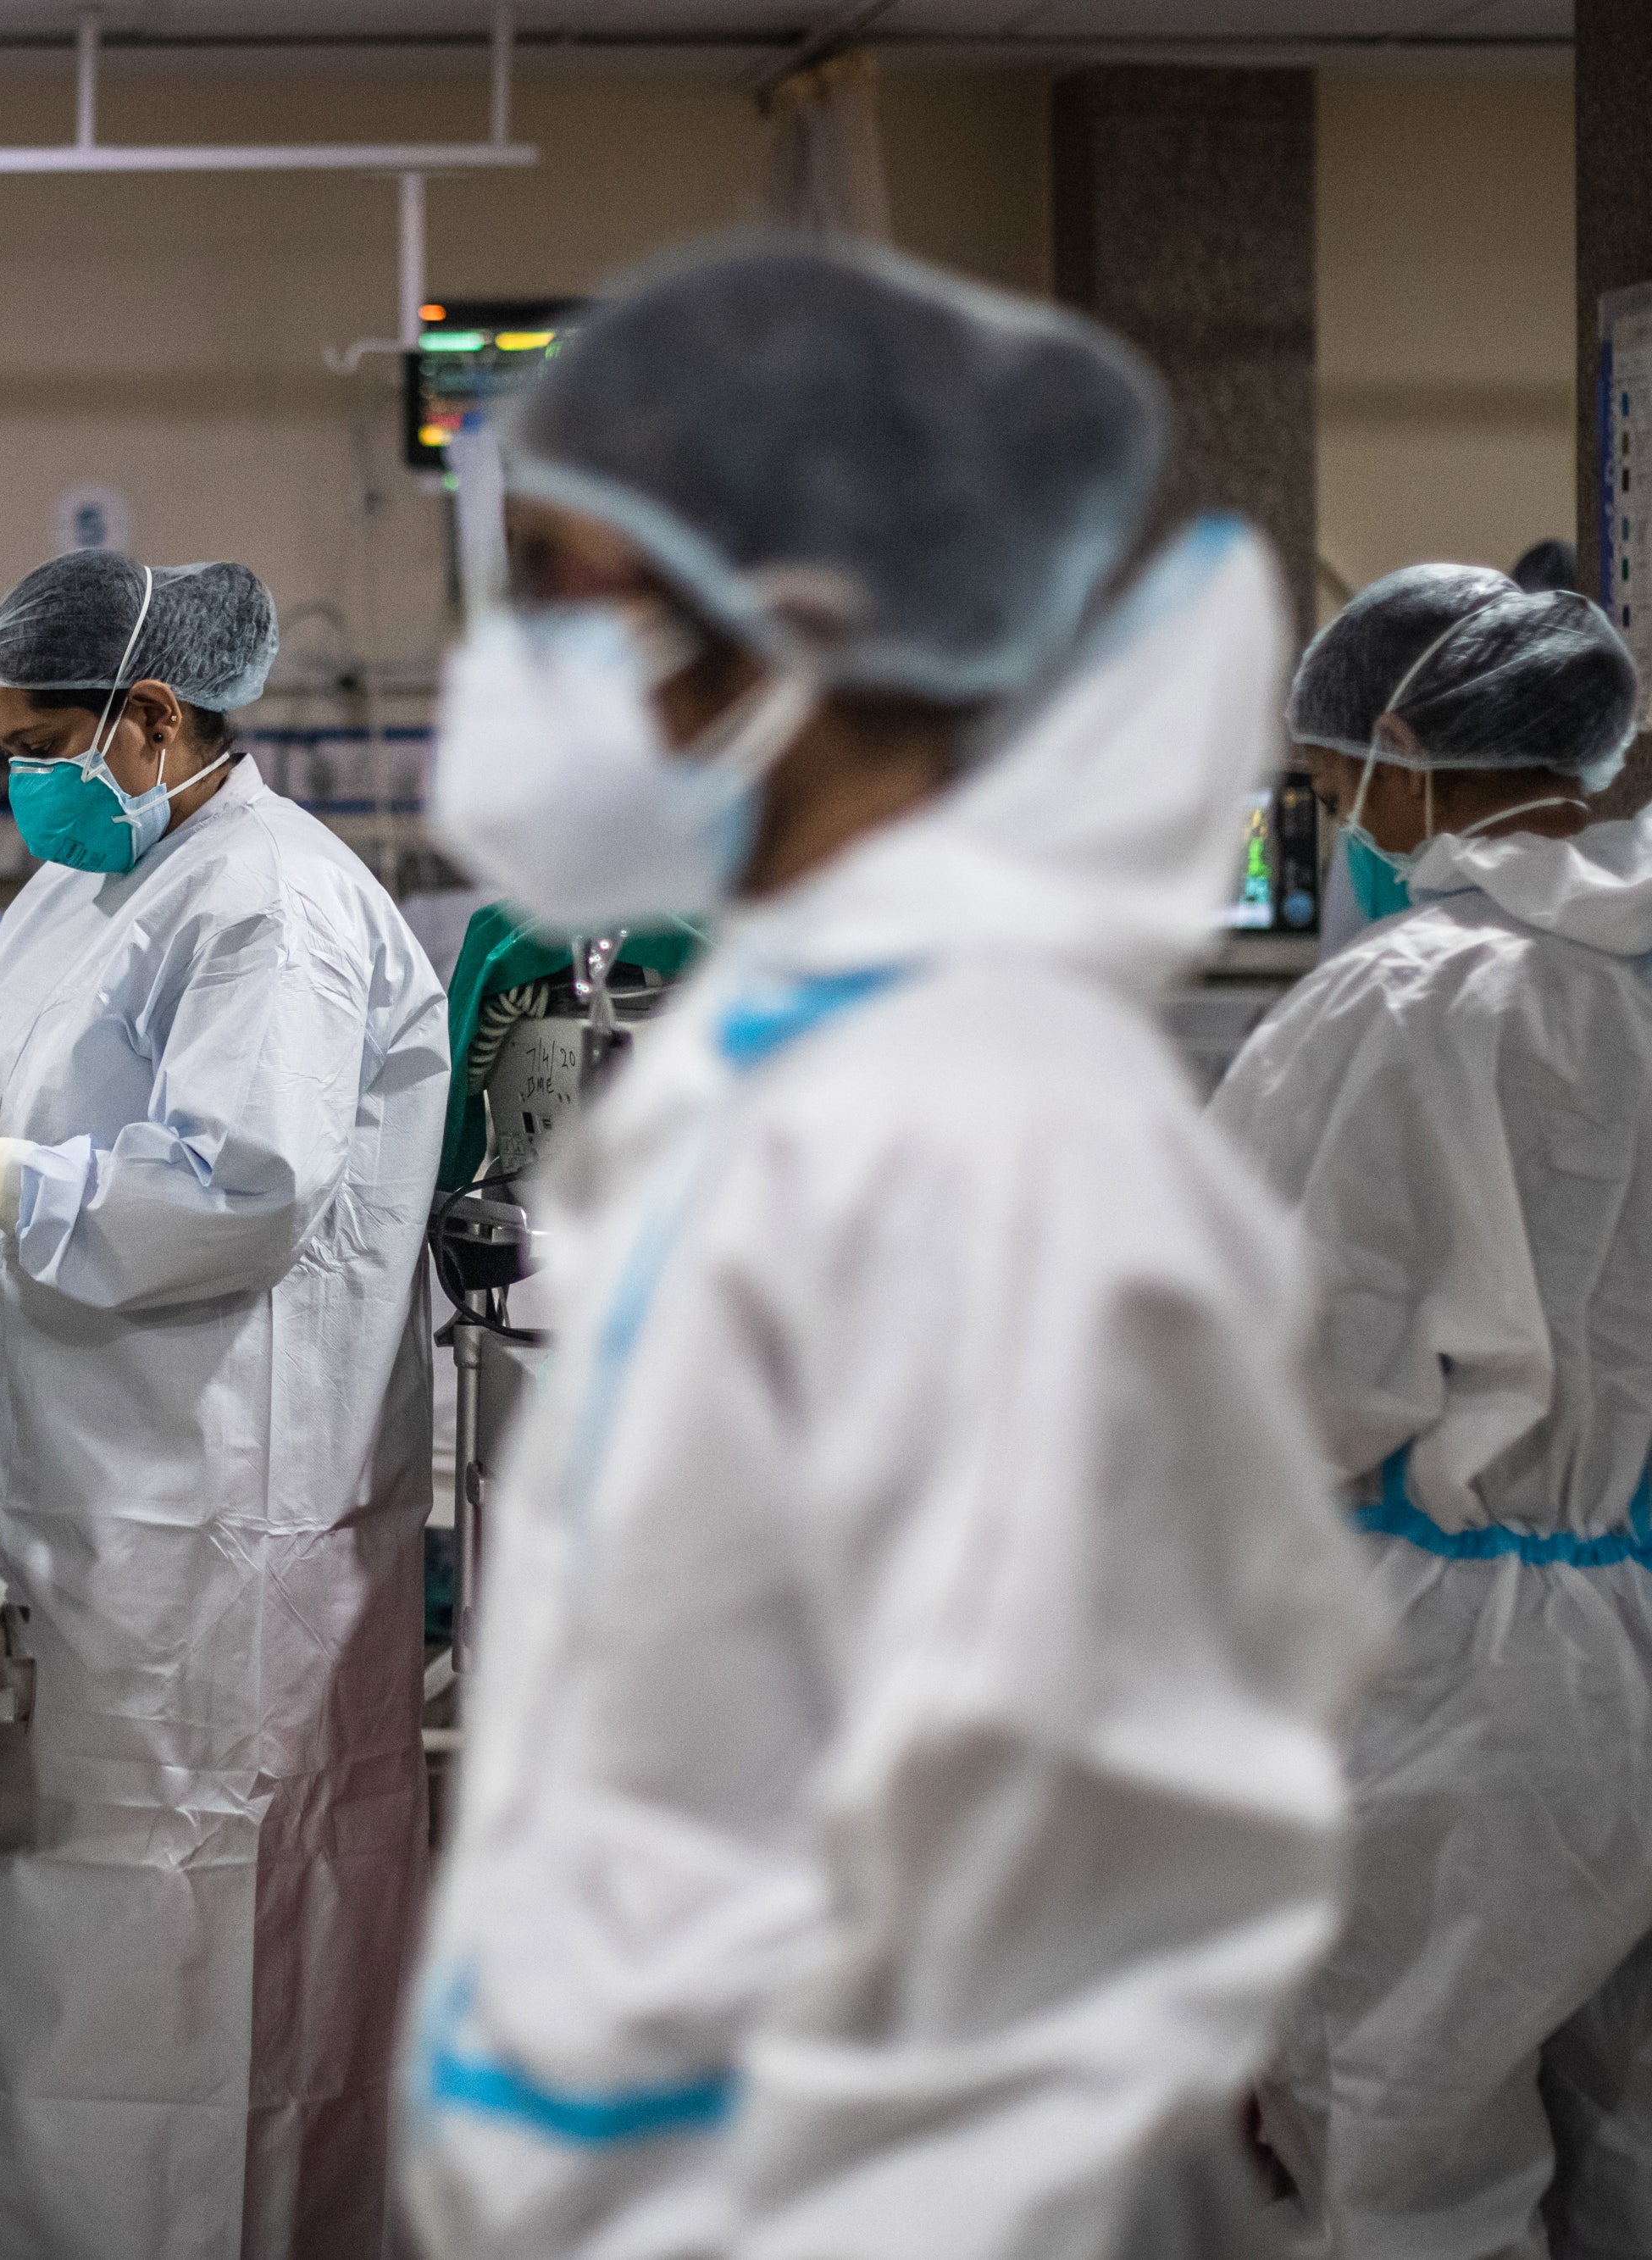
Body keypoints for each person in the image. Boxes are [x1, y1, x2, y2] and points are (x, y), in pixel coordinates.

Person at [397, 234, 1382, 2258]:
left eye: (570, 599)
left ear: (789, 625)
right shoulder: (787, 1056)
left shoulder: (966, 1122)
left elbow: (1048, 1843)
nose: (515, 676)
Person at [0, 547, 451, 2259]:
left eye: (35, 739)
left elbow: (233, 1188)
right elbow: (15, 1128)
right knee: (23, 1989)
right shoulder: (75, 895)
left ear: (151, 717)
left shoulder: (270, 908)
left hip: (217, 1544)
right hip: (70, 1521)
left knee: (189, 1994)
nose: (17, 779)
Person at [1209, 565, 1652, 2257]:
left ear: (1403, 753)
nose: (1344, 824)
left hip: (1450, 1678)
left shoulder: (1394, 1004)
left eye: (1334, 788)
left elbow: (1277, 1372)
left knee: (1406, 2158)